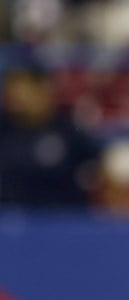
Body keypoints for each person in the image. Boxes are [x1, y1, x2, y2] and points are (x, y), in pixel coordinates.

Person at [0, 52, 103, 209]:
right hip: (9, 224)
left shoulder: (68, 129)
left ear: (43, 87)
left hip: (59, 224)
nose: (14, 93)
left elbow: (99, 169)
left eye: (21, 85)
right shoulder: (4, 128)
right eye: (10, 85)